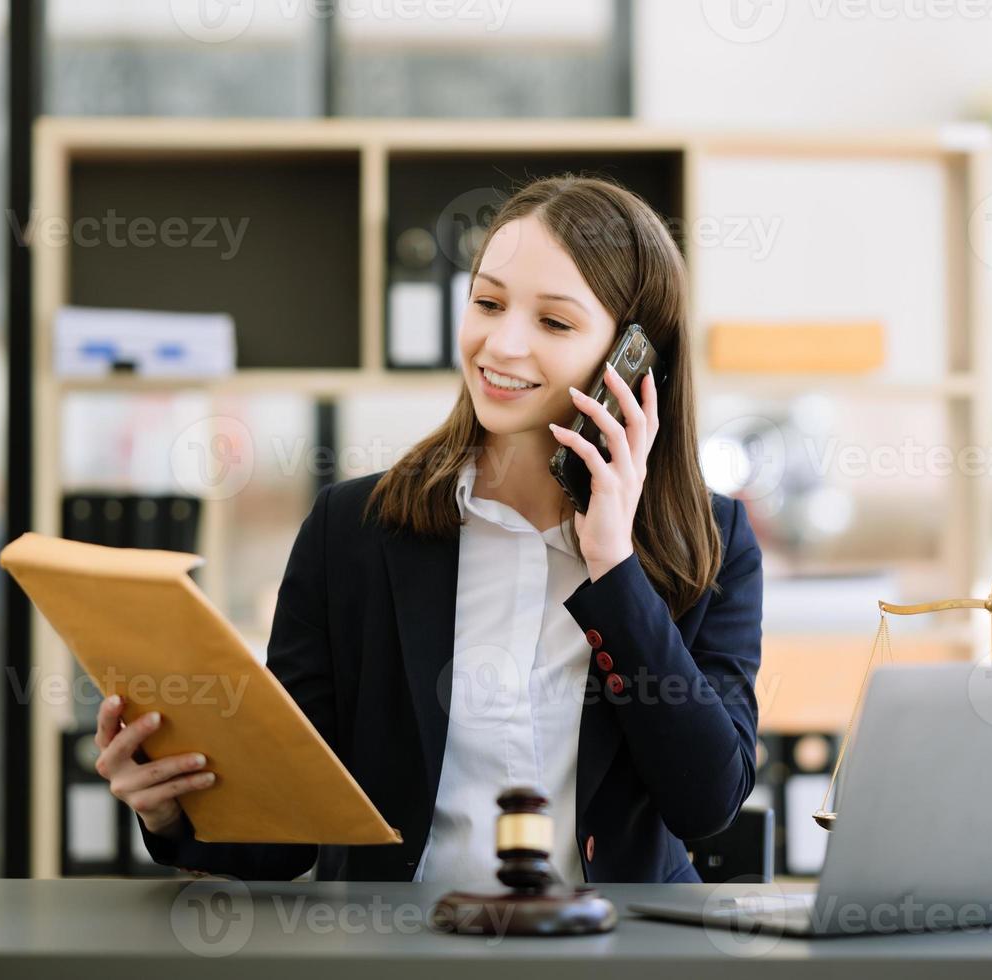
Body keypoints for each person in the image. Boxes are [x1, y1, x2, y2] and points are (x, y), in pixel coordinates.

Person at [93, 174, 764, 884]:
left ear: (633, 358)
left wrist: (613, 566)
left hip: (613, 957)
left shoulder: (711, 542)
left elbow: (707, 802)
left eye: (554, 322)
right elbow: (284, 836)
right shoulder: (353, 532)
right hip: (401, 956)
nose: (501, 345)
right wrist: (167, 812)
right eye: (487, 302)